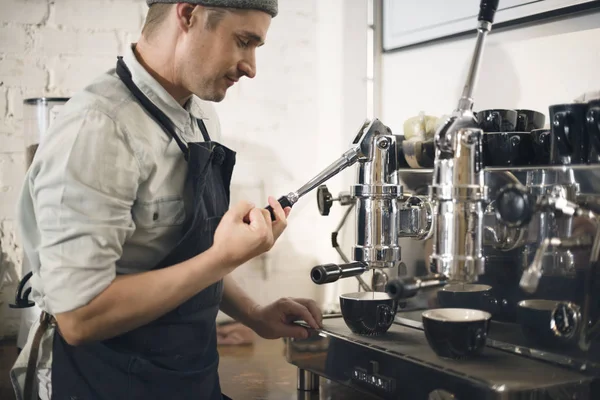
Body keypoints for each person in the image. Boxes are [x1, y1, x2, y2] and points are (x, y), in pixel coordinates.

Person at [10, 1, 323, 399]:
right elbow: (79, 317)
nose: (251, 67)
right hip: (104, 385)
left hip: (189, 382)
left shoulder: (201, 118)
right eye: (243, 42)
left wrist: (255, 315)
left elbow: (181, 253)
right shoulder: (99, 128)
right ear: (189, 14)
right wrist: (224, 256)